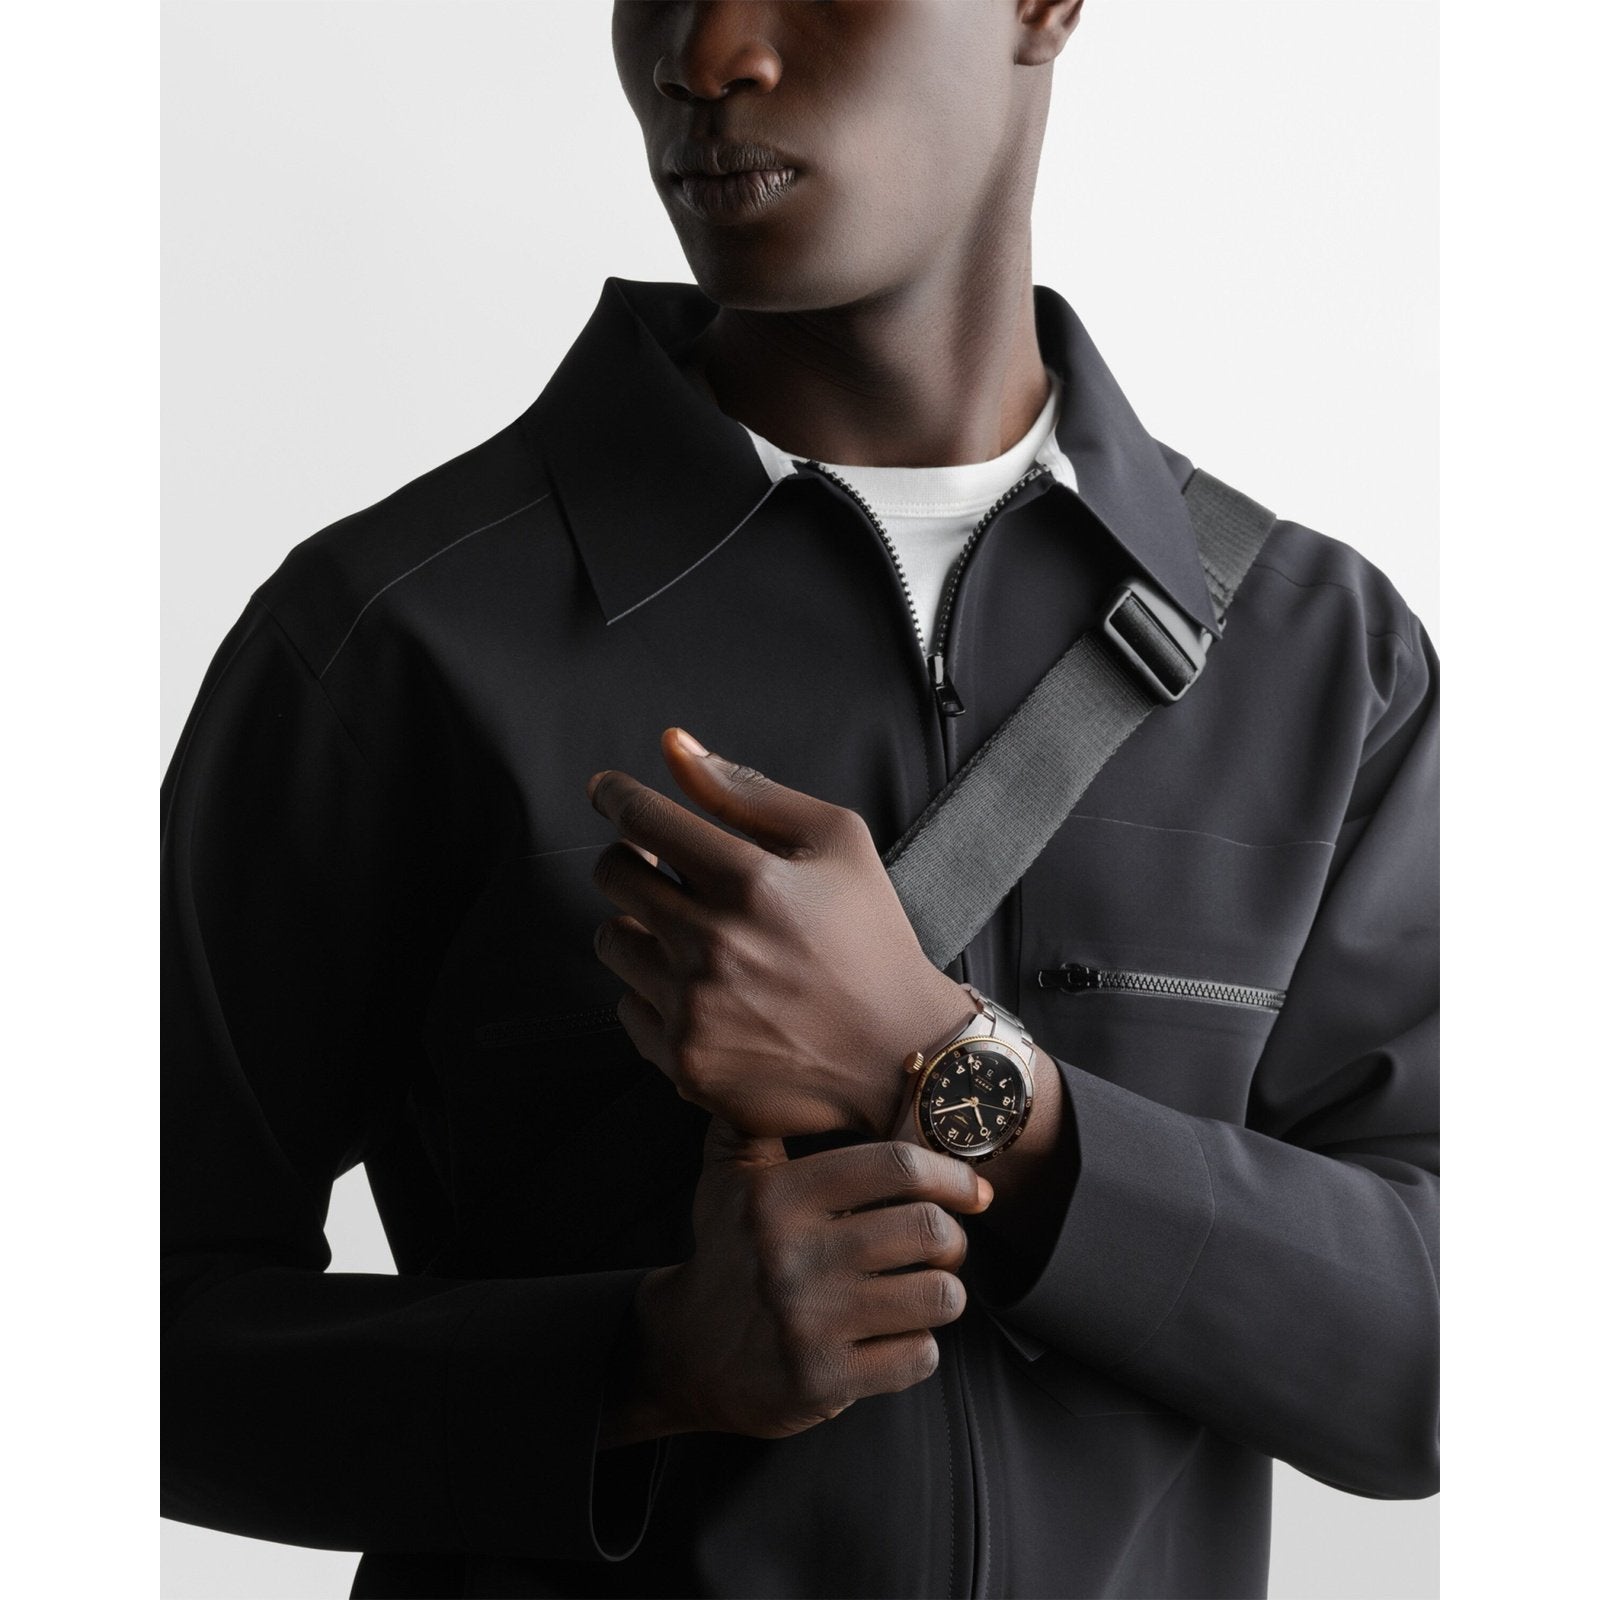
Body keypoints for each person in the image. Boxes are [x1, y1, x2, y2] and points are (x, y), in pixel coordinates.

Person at [161, 3, 1439, 1597]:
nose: (705, 54)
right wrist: (636, 1367)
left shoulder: (1322, 660)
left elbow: (1449, 1367)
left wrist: (955, 1072)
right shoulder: (392, 644)